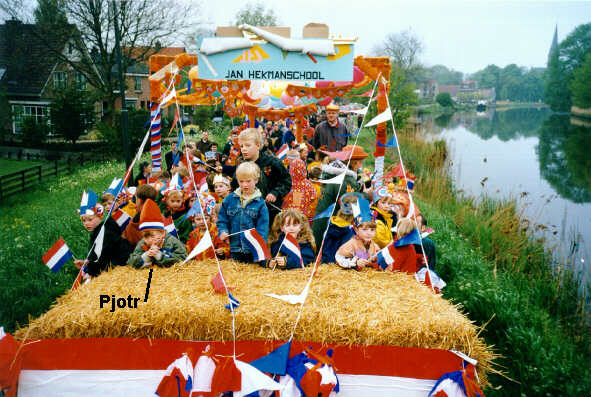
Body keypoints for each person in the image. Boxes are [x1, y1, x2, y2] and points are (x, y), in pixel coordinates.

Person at [231, 128, 291, 222]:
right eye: (242, 146)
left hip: (271, 213)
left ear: (258, 145)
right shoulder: (241, 166)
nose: (244, 149)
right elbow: (234, 186)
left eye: (248, 145)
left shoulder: (272, 162)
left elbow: (286, 181)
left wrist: (275, 193)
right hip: (248, 214)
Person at [312, 144, 367, 246]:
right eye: (361, 161)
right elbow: (351, 203)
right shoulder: (346, 180)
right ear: (355, 162)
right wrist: (366, 194)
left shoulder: (334, 172)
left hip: (323, 219)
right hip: (332, 224)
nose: (361, 164)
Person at [218, 161, 270, 263]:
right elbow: (222, 219)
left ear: (256, 180)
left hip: (252, 250)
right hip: (235, 248)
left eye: (248, 181)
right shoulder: (229, 199)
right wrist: (223, 231)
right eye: (241, 181)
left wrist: (259, 249)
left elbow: (263, 228)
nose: (244, 185)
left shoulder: (260, 203)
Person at [75, 191, 134, 278]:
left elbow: (101, 255)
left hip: (123, 261)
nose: (86, 223)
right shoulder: (98, 230)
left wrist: (91, 272)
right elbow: (95, 253)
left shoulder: (104, 231)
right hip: (115, 261)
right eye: (84, 221)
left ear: (100, 216)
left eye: (90, 220)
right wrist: (87, 262)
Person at [128, 199, 187, 268]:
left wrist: (160, 256)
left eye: (152, 236)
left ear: (162, 233)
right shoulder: (142, 243)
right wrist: (145, 256)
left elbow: (184, 258)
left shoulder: (172, 241)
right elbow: (130, 262)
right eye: (146, 237)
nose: (149, 240)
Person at [335, 199, 379, 270]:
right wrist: (355, 262)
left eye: (372, 230)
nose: (369, 233)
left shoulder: (373, 245)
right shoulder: (352, 244)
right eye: (364, 229)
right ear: (356, 230)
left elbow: (378, 257)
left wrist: (373, 262)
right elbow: (338, 257)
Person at [320, 193, 358, 264]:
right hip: (341, 263)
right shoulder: (350, 230)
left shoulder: (331, 222)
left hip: (326, 261)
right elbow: (348, 252)